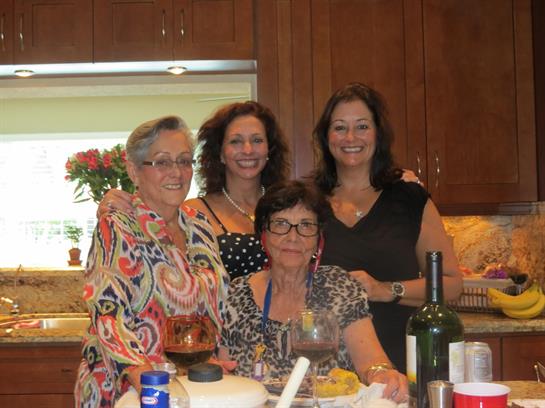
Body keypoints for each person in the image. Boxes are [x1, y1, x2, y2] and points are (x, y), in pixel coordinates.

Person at [74, 116, 228, 407]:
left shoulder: (199, 225)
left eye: (184, 161)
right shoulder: (118, 226)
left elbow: (217, 306)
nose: (177, 172)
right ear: (134, 171)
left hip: (191, 388)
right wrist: (149, 385)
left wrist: (219, 359)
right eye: (162, 162)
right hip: (132, 391)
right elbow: (108, 316)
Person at [312, 82, 463, 373]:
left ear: (378, 134)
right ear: (326, 136)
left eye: (362, 126)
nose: (350, 137)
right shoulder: (308, 201)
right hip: (326, 368)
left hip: (400, 362)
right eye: (340, 127)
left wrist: (387, 289)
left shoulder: (410, 198)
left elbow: (452, 284)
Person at [218, 180, 408, 403]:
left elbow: (371, 361)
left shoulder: (339, 286)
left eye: (306, 225)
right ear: (263, 234)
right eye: (281, 224)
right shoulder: (238, 291)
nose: (293, 237)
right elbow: (226, 372)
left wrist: (381, 373)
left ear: (319, 238)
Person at [98, 101, 290, 280]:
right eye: (235, 141)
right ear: (220, 152)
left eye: (257, 140)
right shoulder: (194, 214)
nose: (248, 150)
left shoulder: (289, 207)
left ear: (270, 149)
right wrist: (116, 203)